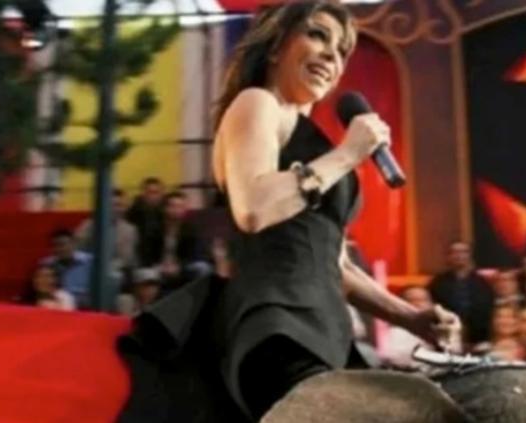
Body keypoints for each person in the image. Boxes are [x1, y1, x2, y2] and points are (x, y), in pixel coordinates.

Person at [118, 3, 459, 422]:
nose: (331, 56)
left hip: (325, 330)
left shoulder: (317, 143)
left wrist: (411, 318)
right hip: (275, 327)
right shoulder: (258, 103)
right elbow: (253, 208)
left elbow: (333, 264)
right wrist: (348, 154)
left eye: (341, 51)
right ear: (277, 45)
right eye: (317, 35)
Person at [427, 241, 494, 345]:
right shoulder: (437, 283)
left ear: (470, 255)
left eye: (463, 252)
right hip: (447, 335)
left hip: (479, 336)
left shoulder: (483, 283)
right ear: (448, 257)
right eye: (455, 252)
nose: (459, 256)